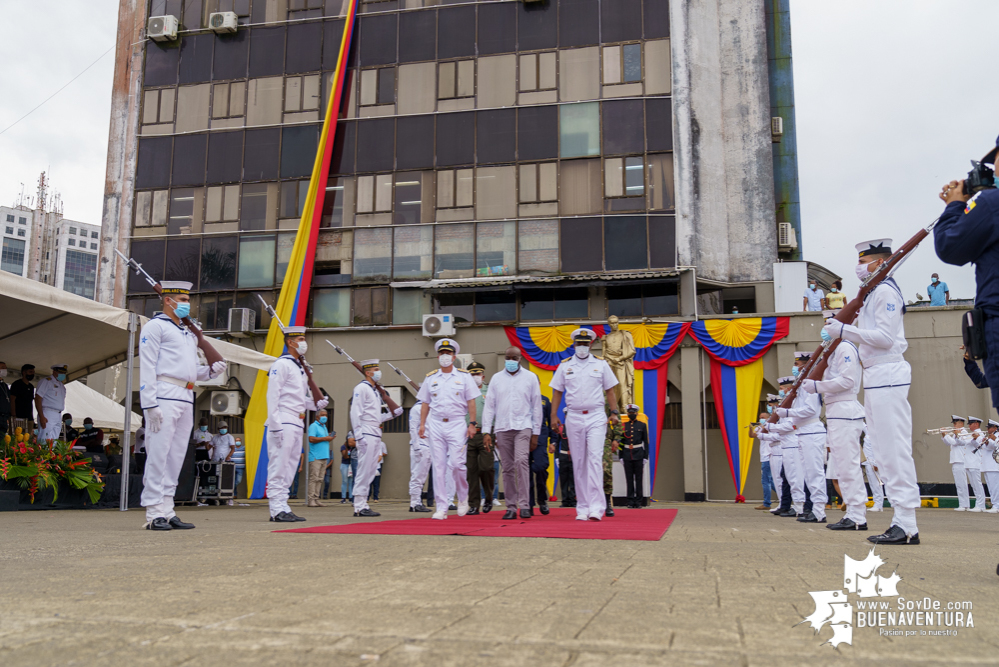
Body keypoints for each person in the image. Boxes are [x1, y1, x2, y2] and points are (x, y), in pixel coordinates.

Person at [823, 238, 920, 545]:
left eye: (865, 261)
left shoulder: (886, 291)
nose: (860, 267)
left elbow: (885, 338)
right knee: (880, 450)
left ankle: (906, 523)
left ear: (880, 263)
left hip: (888, 372)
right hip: (877, 375)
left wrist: (844, 330)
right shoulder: (873, 292)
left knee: (894, 450)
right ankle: (901, 520)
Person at [139, 281, 224, 530]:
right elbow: (148, 365)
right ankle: (154, 512)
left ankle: (167, 509)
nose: (187, 304)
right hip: (163, 395)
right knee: (158, 454)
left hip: (186, 396)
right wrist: (149, 404)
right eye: (183, 300)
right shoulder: (155, 327)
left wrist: (208, 372)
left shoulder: (187, 332)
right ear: (168, 300)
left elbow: (188, 370)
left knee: (176, 457)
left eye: (188, 300)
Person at [797, 324, 867, 531]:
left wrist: (817, 386)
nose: (825, 328)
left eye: (829, 323)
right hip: (837, 410)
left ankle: (857, 516)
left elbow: (847, 380)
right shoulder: (835, 348)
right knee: (843, 467)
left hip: (845, 409)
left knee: (848, 465)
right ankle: (854, 514)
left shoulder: (845, 347)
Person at [549, 328, 619, 522]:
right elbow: (557, 392)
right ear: (573, 345)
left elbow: (610, 390)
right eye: (579, 343)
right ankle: (582, 507)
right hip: (574, 417)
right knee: (578, 462)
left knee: (595, 460)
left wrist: (614, 412)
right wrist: (554, 415)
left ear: (590, 345)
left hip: (596, 416)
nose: (582, 347)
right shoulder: (564, 366)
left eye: (585, 344)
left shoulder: (601, 364)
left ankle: (597, 507)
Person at [266, 325, 328, 523]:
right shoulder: (282, 364)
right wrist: (275, 424)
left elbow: (297, 398)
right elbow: (273, 396)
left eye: (304, 338)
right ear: (290, 342)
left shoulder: (298, 367)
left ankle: (283, 505)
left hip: (297, 419)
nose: (304, 343)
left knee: (290, 465)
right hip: (283, 419)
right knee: (279, 464)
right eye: (300, 339)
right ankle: (276, 508)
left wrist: (315, 403)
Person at [418, 339, 480, 520]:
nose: (445, 357)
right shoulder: (431, 378)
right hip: (436, 423)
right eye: (442, 354)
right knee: (438, 467)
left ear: (454, 357)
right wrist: (422, 424)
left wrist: (472, 424)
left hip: (457, 423)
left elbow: (471, 401)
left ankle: (462, 498)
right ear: (438, 356)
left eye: (448, 354)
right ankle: (442, 506)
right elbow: (425, 403)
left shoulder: (464, 376)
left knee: (457, 465)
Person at [482, 346, 543, 520]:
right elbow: (489, 407)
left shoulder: (530, 378)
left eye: (514, 358)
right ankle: (510, 507)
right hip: (502, 427)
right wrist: (487, 431)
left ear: (520, 359)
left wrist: (535, 433)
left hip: (523, 426)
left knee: (521, 461)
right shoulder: (496, 379)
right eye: (508, 357)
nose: (510, 361)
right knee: (507, 467)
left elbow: (536, 406)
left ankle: (524, 505)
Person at [775, 352, 827, 524]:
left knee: (814, 473)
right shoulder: (803, 385)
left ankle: (819, 511)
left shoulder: (810, 385)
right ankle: (812, 509)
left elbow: (811, 410)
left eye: (798, 365)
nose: (795, 368)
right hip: (804, 431)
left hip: (812, 430)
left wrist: (788, 412)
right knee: (808, 475)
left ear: (807, 366)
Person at [351, 359, 401, 518]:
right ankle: (358, 505)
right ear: (367, 372)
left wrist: (390, 415)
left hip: (374, 432)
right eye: (376, 369)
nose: (379, 372)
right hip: (365, 433)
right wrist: (358, 436)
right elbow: (355, 412)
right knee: (364, 469)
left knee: (372, 470)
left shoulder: (374, 390)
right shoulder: (361, 388)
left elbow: (375, 416)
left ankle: (363, 503)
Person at [771, 378, 805, 518]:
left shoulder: (793, 404)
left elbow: (792, 425)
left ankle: (799, 507)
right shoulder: (787, 404)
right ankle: (792, 505)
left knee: (796, 477)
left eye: (783, 388)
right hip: (787, 445)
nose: (782, 391)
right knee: (788, 478)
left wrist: (772, 427)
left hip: (793, 444)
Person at [465, 361, 494, 514]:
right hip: (468, 434)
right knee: (471, 471)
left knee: (486, 468)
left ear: (483, 376)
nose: (475, 377)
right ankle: (474, 504)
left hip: (486, 433)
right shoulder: (463, 392)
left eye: (477, 374)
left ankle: (489, 497)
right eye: (472, 374)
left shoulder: (489, 390)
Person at [620, 404, 649, 509]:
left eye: (633, 413)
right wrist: (621, 456)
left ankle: (639, 501)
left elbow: (645, 441)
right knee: (629, 479)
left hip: (639, 454)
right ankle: (630, 500)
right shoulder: (624, 426)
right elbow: (621, 442)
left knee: (639, 478)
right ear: (628, 414)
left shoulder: (642, 425)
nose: (631, 414)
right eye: (630, 413)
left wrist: (646, 456)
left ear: (636, 413)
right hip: (627, 454)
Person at [528, 394, 552, 516]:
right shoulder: (522, 397)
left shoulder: (545, 400)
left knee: (541, 467)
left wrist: (553, 441)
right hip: (524, 437)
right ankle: (529, 504)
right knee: (526, 473)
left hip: (540, 440)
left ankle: (542, 499)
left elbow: (551, 421)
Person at [942, 416, 971, 511]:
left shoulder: (963, 432)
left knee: (962, 484)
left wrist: (946, 435)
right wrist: (944, 436)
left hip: (961, 460)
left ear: (961, 423)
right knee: (959, 484)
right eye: (953, 423)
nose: (954, 425)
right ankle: (962, 504)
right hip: (956, 460)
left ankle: (965, 504)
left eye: (955, 423)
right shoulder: (956, 433)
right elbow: (948, 444)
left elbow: (955, 443)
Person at [35, 364, 68, 446]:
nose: (62, 374)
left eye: (64, 373)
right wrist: (41, 416)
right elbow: (38, 398)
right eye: (60, 372)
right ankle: (41, 458)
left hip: (58, 414)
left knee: (53, 440)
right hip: (47, 412)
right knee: (44, 439)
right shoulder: (46, 381)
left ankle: (50, 458)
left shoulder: (61, 385)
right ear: (54, 371)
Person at [408, 402, 432, 512]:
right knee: (417, 475)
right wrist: (416, 447)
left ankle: (417, 501)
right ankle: (414, 503)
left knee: (422, 477)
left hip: (428, 445)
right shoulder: (417, 408)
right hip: (420, 445)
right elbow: (413, 428)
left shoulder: (430, 408)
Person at [307, 409, 333, 507]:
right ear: (317, 416)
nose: (325, 417)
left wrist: (329, 437)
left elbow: (323, 439)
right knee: (314, 478)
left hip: (324, 455)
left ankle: (316, 498)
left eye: (326, 415)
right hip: (315, 456)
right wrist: (325, 438)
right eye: (322, 415)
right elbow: (311, 439)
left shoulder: (324, 427)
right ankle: (311, 499)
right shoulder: (313, 426)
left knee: (320, 479)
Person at [962, 416, 987, 513]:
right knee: (973, 485)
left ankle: (981, 505)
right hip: (968, 462)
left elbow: (981, 445)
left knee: (977, 484)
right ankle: (978, 503)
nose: (969, 426)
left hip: (975, 462)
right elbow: (963, 442)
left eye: (971, 424)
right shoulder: (971, 434)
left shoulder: (980, 434)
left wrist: (976, 438)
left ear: (976, 424)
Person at [753, 410, 776, 511]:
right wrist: (751, 428)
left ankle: (767, 503)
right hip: (764, 456)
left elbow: (766, 433)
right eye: (760, 417)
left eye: (763, 417)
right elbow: (752, 435)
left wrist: (763, 426)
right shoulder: (760, 428)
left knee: (765, 480)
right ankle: (786, 496)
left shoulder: (771, 426)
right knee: (772, 480)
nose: (761, 419)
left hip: (768, 456)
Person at [550, 422, 575, 507]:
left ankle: (572, 500)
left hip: (573, 456)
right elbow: (556, 444)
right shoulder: (561, 429)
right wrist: (557, 457)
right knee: (564, 480)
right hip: (563, 456)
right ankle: (565, 500)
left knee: (573, 480)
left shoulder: (576, 427)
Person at [978, 420, 999, 513]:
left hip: (993, 466)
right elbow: (989, 447)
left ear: (995, 428)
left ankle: (997, 505)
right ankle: (995, 504)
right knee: (991, 487)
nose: (987, 429)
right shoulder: (990, 436)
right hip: (987, 465)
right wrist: (986, 442)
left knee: (995, 487)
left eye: (989, 427)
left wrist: (994, 439)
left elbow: (995, 446)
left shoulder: (996, 436)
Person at [603, 410, 621, 517]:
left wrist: (616, 438)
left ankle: (607, 502)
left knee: (606, 471)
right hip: (586, 438)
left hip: (605, 439)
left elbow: (616, 417)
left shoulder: (607, 396)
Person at [340, 432, 358, 504]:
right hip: (345, 464)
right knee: (345, 481)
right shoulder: (343, 447)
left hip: (351, 465)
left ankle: (351, 497)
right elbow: (345, 456)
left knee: (351, 481)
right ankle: (343, 497)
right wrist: (347, 447)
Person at [0, 361, 10, 437]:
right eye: (2, 368)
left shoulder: (4, 385)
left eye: (5, 368)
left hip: (4, 418)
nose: (5, 369)